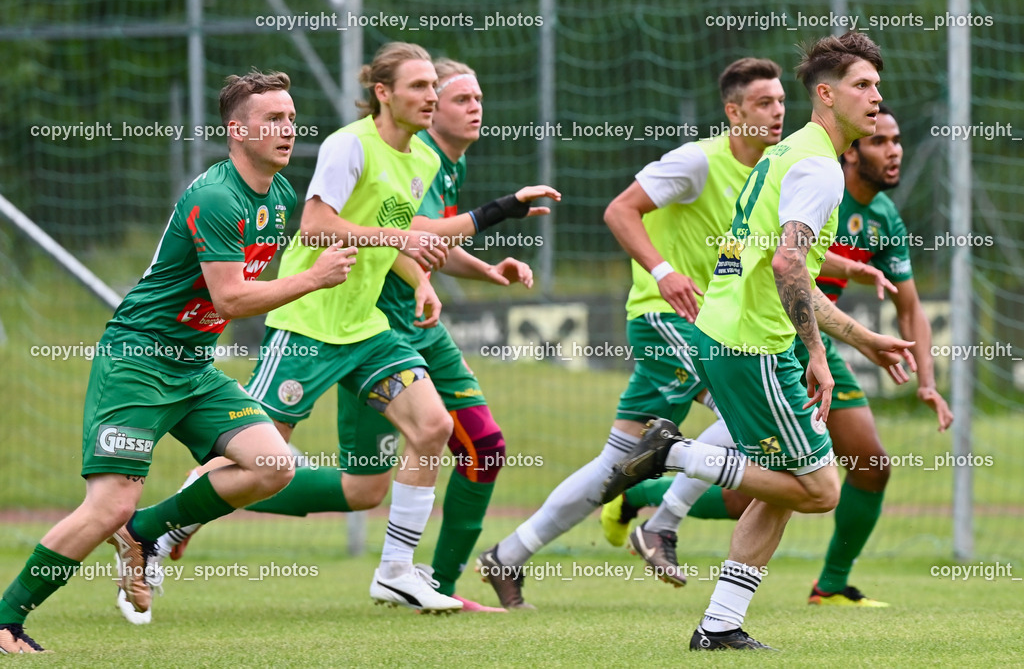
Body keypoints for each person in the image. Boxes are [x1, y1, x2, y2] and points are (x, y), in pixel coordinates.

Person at [141, 57, 559, 616]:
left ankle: (396, 573)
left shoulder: (421, 158)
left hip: (366, 327)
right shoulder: (349, 145)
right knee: (262, 456)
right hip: (309, 323)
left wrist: (500, 212)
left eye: (435, 86)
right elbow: (316, 225)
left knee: (433, 427)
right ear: (383, 92)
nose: (431, 96)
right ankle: (158, 528)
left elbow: (417, 231)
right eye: (420, 86)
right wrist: (401, 241)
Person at [475, 56, 892, 609]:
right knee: (773, 451)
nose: (775, 112)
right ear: (733, 111)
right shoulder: (699, 161)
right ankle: (665, 513)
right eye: (763, 103)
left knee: (620, 460)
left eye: (779, 102)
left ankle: (510, 554)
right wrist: (663, 271)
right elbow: (621, 211)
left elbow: (769, 256)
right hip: (670, 319)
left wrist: (846, 282)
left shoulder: (774, 164)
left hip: (715, 320)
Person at [0, 70, 358, 654]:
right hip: (139, 359)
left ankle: (143, 531)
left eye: (292, 118)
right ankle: (6, 618)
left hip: (191, 366)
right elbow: (231, 299)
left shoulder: (279, 197)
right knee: (110, 500)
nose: (288, 129)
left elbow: (229, 298)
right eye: (273, 119)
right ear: (236, 131)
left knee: (273, 465)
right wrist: (312, 280)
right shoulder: (217, 197)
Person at [601, 32, 915, 651]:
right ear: (825, 94)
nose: (875, 96)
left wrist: (843, 343)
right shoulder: (819, 167)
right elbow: (788, 266)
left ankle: (719, 626)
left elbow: (774, 260)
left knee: (781, 488)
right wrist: (831, 348)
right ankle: (676, 455)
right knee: (823, 489)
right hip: (753, 347)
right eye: (861, 85)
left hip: (729, 336)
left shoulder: (789, 151)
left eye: (877, 84)